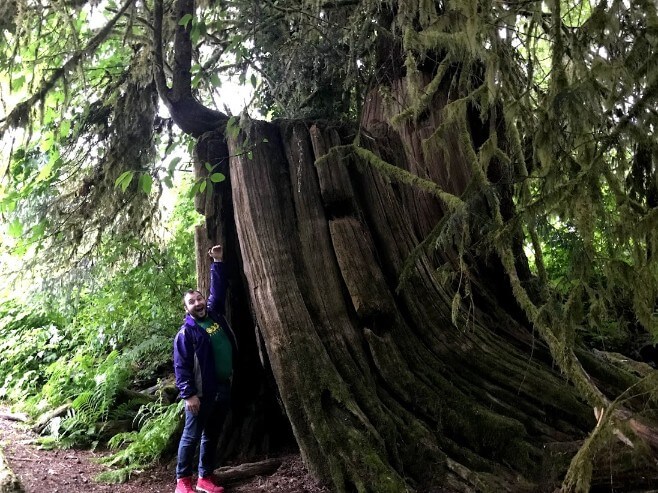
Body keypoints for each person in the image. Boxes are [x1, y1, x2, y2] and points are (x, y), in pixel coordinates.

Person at [173, 245, 238, 493]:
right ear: (186, 308)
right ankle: (183, 482)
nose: (198, 303)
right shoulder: (186, 333)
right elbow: (181, 366)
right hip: (201, 393)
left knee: (211, 434)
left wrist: (218, 261)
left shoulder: (214, 316)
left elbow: (218, 292)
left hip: (223, 386)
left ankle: (204, 478)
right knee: (191, 437)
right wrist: (188, 394)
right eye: (192, 302)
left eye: (199, 298)